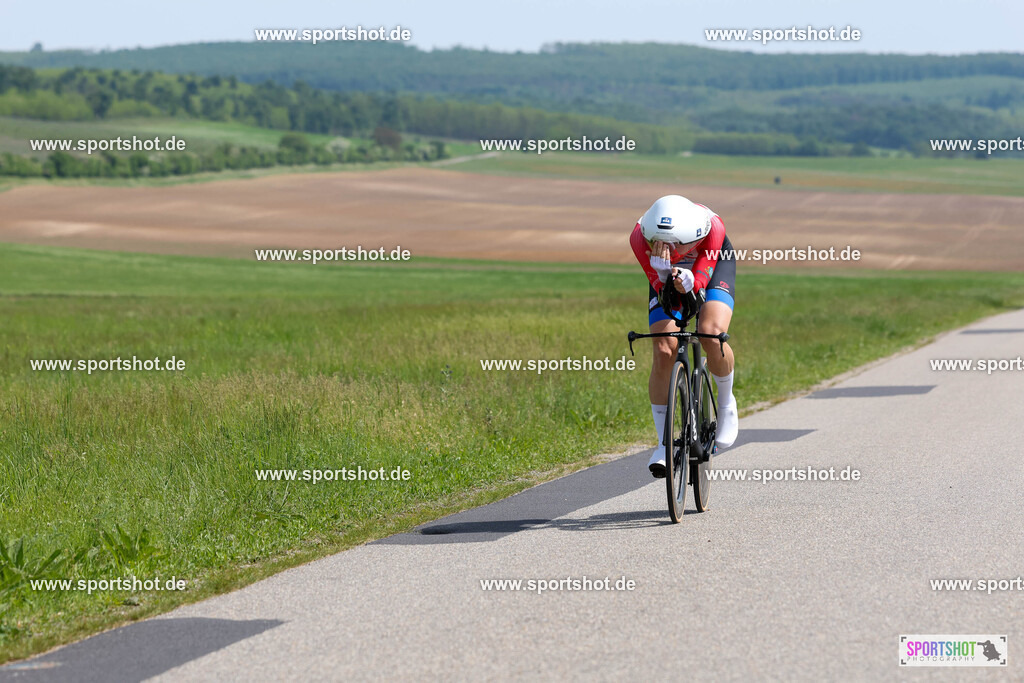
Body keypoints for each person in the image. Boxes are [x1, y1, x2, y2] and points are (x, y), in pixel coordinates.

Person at [629, 195, 739, 477]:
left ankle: (726, 403)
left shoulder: (713, 228)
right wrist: (663, 277)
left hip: (710, 265)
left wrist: (694, 281)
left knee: (711, 333)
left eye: (678, 245)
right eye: (664, 244)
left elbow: (702, 280)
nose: (672, 250)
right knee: (664, 349)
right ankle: (663, 443)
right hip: (663, 272)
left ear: (695, 236)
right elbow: (663, 292)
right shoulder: (640, 237)